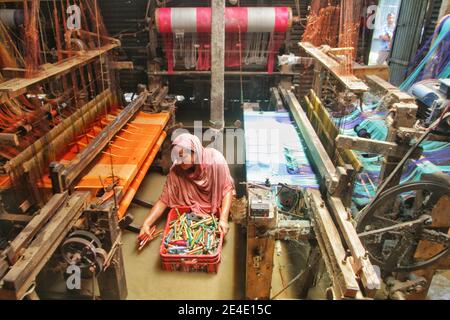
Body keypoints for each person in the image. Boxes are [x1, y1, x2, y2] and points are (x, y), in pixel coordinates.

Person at [139, 133, 235, 238]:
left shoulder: (215, 161)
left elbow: (227, 190)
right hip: (195, 215)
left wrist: (223, 219)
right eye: (176, 157)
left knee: (228, 208)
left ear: (195, 153)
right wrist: (146, 223)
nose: (179, 161)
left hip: (216, 199)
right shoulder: (177, 170)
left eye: (182, 156)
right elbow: (164, 200)